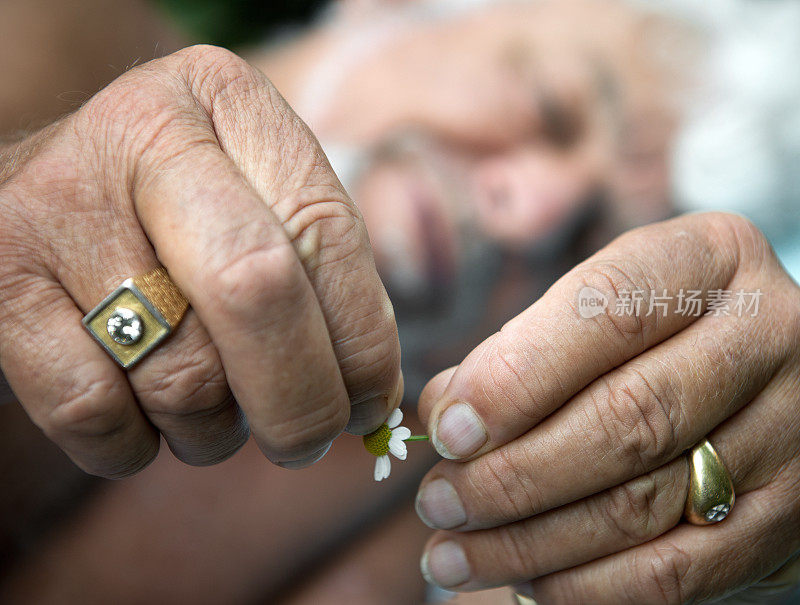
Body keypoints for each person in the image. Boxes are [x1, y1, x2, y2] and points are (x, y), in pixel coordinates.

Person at [1, 1, 799, 604]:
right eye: (552, 108)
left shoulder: (444, 513)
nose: (530, 212)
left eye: (592, 248)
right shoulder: (41, 36)